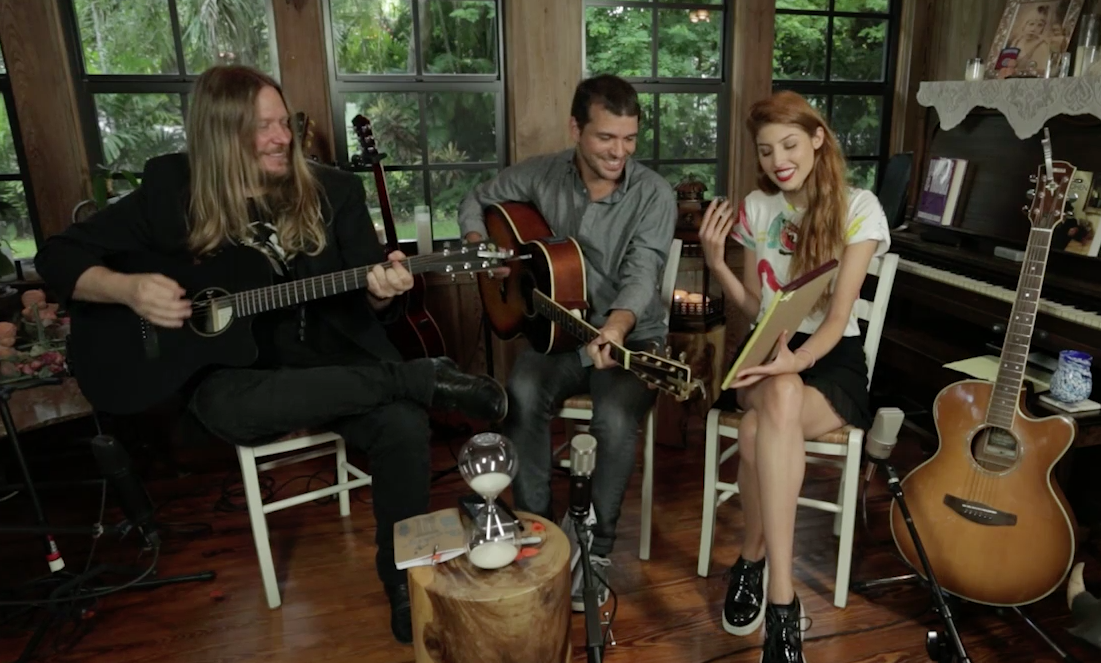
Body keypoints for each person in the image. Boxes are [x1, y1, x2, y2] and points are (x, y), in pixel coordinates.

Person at [33, 65, 507, 645]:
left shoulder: (335, 191)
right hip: (236, 375)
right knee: (228, 407)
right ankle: (421, 377)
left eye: (284, 122)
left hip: (332, 358)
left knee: (404, 425)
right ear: (221, 132)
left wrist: (383, 294)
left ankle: (403, 582)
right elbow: (57, 256)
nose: (283, 137)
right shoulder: (171, 189)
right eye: (263, 127)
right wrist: (127, 289)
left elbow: (369, 297)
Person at [457, 74, 677, 611]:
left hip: (632, 340)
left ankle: (594, 551)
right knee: (521, 393)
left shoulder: (653, 193)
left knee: (615, 419)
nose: (619, 152)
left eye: (629, 139)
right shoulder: (544, 172)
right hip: (560, 334)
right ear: (576, 129)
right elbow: (477, 199)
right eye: (606, 137)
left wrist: (617, 327)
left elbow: (643, 271)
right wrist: (481, 247)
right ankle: (538, 528)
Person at [698, 90, 890, 662]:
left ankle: (756, 565)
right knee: (776, 391)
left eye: (789, 144)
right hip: (765, 351)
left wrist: (798, 362)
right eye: (765, 151)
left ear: (817, 139)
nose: (778, 160)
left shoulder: (859, 208)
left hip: (829, 358)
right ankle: (784, 602)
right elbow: (754, 305)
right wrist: (715, 264)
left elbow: (836, 318)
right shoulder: (757, 209)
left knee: (758, 428)